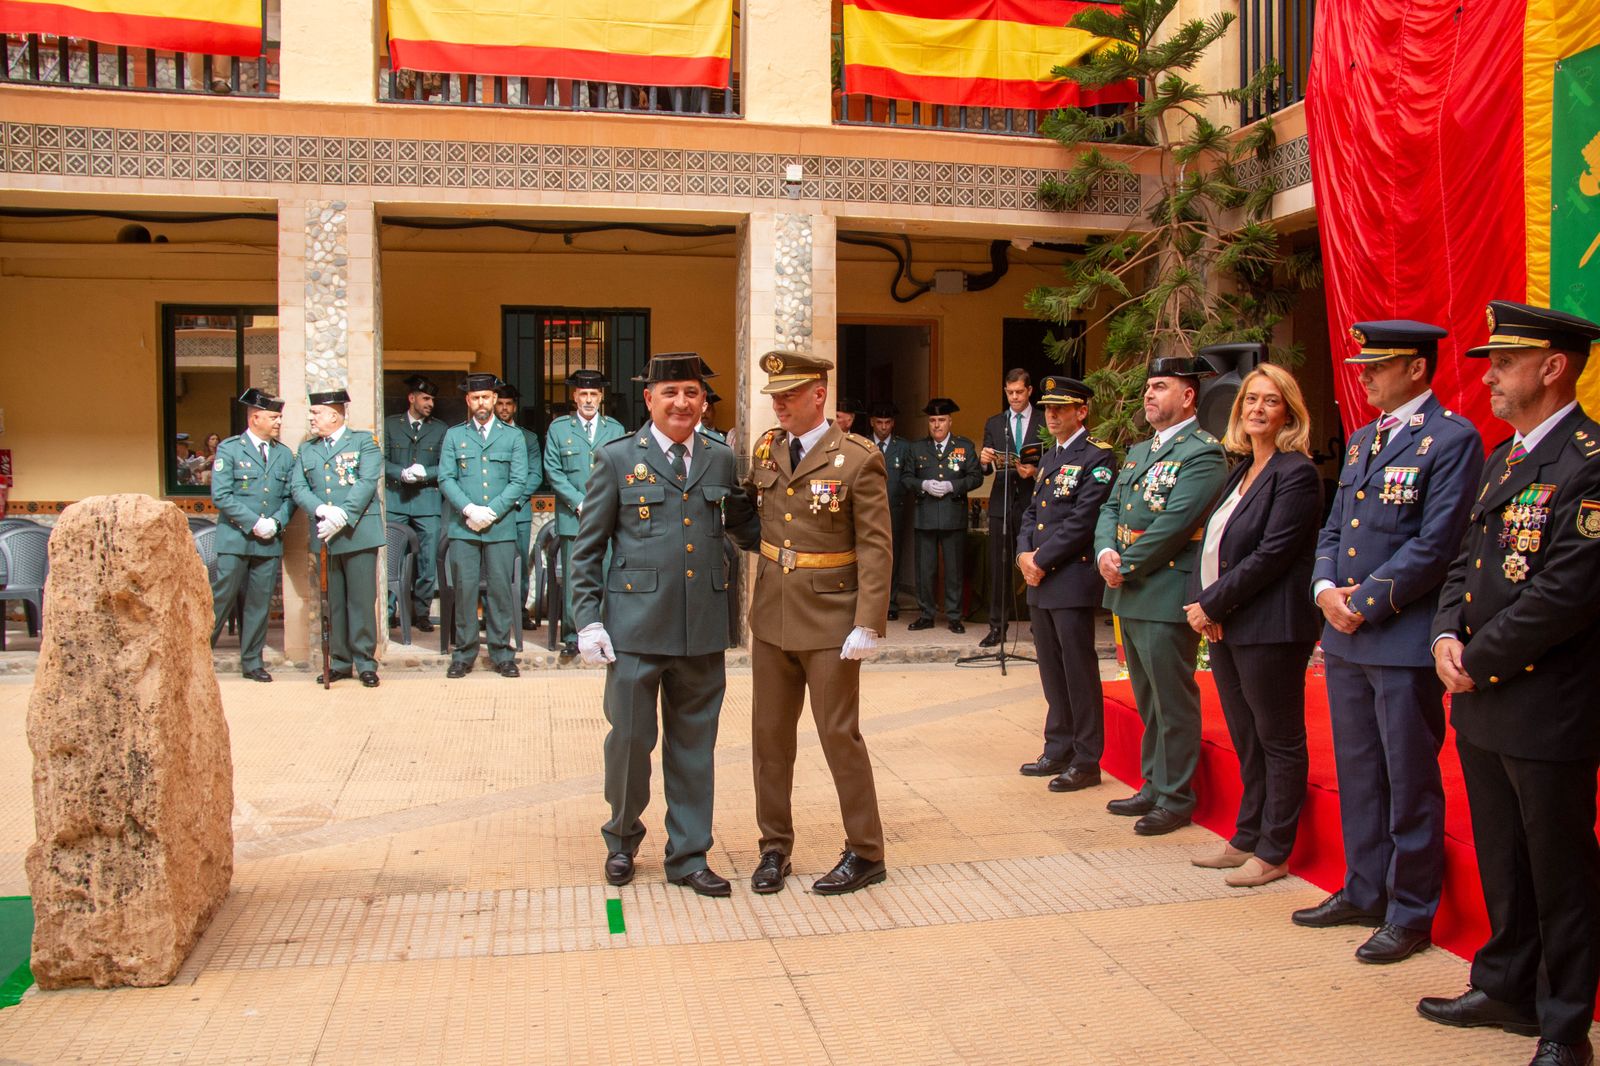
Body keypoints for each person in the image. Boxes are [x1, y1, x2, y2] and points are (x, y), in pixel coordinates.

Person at [1419, 301, 1600, 1066]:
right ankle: (1505, 986)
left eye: (1504, 363)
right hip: (1485, 699)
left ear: (1553, 368)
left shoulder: (1589, 461)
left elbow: (1566, 593)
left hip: (1547, 705)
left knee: (1559, 873)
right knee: (1503, 859)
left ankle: (1565, 1028)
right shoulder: (1505, 458)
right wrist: (1443, 635)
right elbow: (1465, 563)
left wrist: (1476, 659)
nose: (1489, 377)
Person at [1293, 320, 1483, 964]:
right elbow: (1333, 528)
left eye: (1378, 365)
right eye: (1363, 366)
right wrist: (1325, 590)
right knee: (1359, 773)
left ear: (1417, 368)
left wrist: (1363, 603)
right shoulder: (1363, 439)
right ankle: (1364, 887)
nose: (1365, 376)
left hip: (1400, 634)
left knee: (1409, 778)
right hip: (1346, 636)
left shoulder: (1452, 439)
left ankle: (1410, 910)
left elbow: (1437, 542)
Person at [570, 353, 759, 897]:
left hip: (701, 626)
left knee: (694, 748)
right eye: (670, 393)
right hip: (634, 628)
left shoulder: (721, 458)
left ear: (704, 402)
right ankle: (622, 838)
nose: (682, 403)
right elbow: (588, 548)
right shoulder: (616, 458)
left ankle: (689, 855)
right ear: (649, 399)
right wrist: (588, 621)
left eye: (692, 393)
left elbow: (746, 528)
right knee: (630, 742)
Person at [739, 350, 893, 895]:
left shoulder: (857, 458)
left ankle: (866, 851)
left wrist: (868, 621)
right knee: (769, 738)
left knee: (838, 735)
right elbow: (758, 516)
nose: (779, 405)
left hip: (831, 620)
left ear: (819, 394)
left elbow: (875, 546)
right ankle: (774, 846)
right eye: (775, 397)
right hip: (772, 615)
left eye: (790, 395)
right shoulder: (768, 449)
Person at [1181, 363, 1322, 887]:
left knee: (1278, 740)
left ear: (1289, 413)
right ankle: (1246, 837)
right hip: (1229, 623)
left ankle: (1275, 850)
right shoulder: (1242, 469)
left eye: (1271, 401)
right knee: (1246, 736)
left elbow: (1272, 555)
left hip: (1272, 627)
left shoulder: (1297, 473)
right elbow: (1211, 545)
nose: (1257, 409)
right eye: (1251, 400)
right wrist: (1204, 606)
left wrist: (1213, 605)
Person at [1093, 357, 1227, 835]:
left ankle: (1176, 796)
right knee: (1147, 697)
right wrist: (1105, 551)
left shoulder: (1203, 453)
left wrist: (1124, 565)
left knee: (1172, 700)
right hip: (1130, 590)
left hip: (1166, 588)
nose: (1149, 395)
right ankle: (1154, 784)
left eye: (1160, 386)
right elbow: (1111, 507)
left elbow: (1175, 524)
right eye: (1148, 386)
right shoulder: (1139, 451)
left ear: (1188, 396)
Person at [1014, 376, 1115, 792]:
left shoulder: (1097, 456)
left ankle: (1086, 759)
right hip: (1040, 579)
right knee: (1052, 670)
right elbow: (1031, 513)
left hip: (1070, 576)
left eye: (1061, 408)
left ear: (1082, 411)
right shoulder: (1051, 456)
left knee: (1078, 670)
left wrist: (1040, 560)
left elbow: (1083, 520)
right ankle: (1058, 747)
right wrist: (1023, 554)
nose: (1052, 415)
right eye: (1048, 409)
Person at [292, 387, 385, 687]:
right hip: (325, 535)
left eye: (316, 413)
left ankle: (365, 662)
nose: (311, 418)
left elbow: (367, 481)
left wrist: (342, 515)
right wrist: (321, 509)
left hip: (358, 533)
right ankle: (340, 662)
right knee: (333, 603)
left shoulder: (363, 442)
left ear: (334, 415)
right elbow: (298, 487)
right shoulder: (307, 449)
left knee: (361, 601)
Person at [438, 373, 529, 679]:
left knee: (500, 590)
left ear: (494, 399)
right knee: (465, 590)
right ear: (468, 400)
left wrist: (492, 511)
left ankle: (502, 653)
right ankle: (464, 654)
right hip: (464, 526)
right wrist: (469, 509)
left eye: (486, 397)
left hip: (499, 526)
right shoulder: (454, 436)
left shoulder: (512, 437)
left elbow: (519, 480)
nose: (481, 403)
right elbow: (446, 478)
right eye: (475, 398)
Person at [208, 388, 293, 682]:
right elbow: (221, 495)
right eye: (273, 417)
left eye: (279, 417)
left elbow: (290, 497)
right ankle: (199, 654)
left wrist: (277, 522)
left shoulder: (284, 454)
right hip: (236, 538)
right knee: (222, 597)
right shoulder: (230, 449)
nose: (278, 422)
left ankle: (253, 661)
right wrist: (254, 522)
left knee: (259, 602)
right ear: (255, 418)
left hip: (269, 541)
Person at [544, 369, 628, 654]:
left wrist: (602, 505)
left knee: (606, 575)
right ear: (575, 397)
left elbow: (623, 469)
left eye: (593, 394)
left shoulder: (615, 429)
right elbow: (553, 471)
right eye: (584, 394)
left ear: (601, 396)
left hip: (608, 518)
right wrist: (580, 502)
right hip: (573, 517)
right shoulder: (559, 429)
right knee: (575, 578)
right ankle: (573, 636)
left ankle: (604, 632)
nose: (589, 400)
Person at [904, 398, 983, 633]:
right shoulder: (916, 448)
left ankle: (954, 616)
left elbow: (976, 477)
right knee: (925, 570)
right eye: (932, 420)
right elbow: (906, 478)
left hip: (953, 515)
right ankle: (926, 614)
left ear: (950, 421)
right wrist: (923, 484)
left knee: (954, 570)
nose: (936, 425)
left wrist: (952, 486)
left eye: (941, 420)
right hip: (925, 515)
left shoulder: (964, 447)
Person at [979, 369, 1042, 647]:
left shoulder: (1043, 420)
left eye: (1019, 392)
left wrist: (1036, 471)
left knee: (1037, 563)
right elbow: (984, 469)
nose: (1014, 397)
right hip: (1001, 502)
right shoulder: (995, 423)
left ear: (1029, 391)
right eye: (1009, 392)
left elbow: (1055, 460)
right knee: (999, 566)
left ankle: (1039, 626)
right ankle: (997, 627)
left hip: (1033, 503)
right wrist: (983, 460)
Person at [382, 374, 444, 633]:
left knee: (427, 561)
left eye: (432, 400)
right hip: (397, 499)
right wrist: (400, 472)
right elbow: (381, 460)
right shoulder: (390, 425)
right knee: (392, 558)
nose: (430, 404)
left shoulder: (440, 429)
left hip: (427, 502)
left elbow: (446, 466)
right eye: (425, 398)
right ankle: (388, 612)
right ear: (412, 398)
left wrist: (425, 473)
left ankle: (422, 613)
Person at [494, 382, 546, 629]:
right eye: (500, 404)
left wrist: (515, 499)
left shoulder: (528, 438)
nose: (504, 409)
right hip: (492, 511)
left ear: (515, 407)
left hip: (518, 510)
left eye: (508, 404)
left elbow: (535, 474)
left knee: (521, 564)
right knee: (493, 565)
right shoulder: (488, 435)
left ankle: (520, 611)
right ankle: (493, 613)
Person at [869, 401, 912, 620]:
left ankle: (891, 602)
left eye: (887, 422)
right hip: (867, 511)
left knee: (892, 557)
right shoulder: (862, 444)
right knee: (868, 557)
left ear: (893, 423)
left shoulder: (903, 447)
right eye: (879, 422)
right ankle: (869, 604)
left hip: (894, 510)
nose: (883, 427)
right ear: (872, 422)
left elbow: (908, 476)